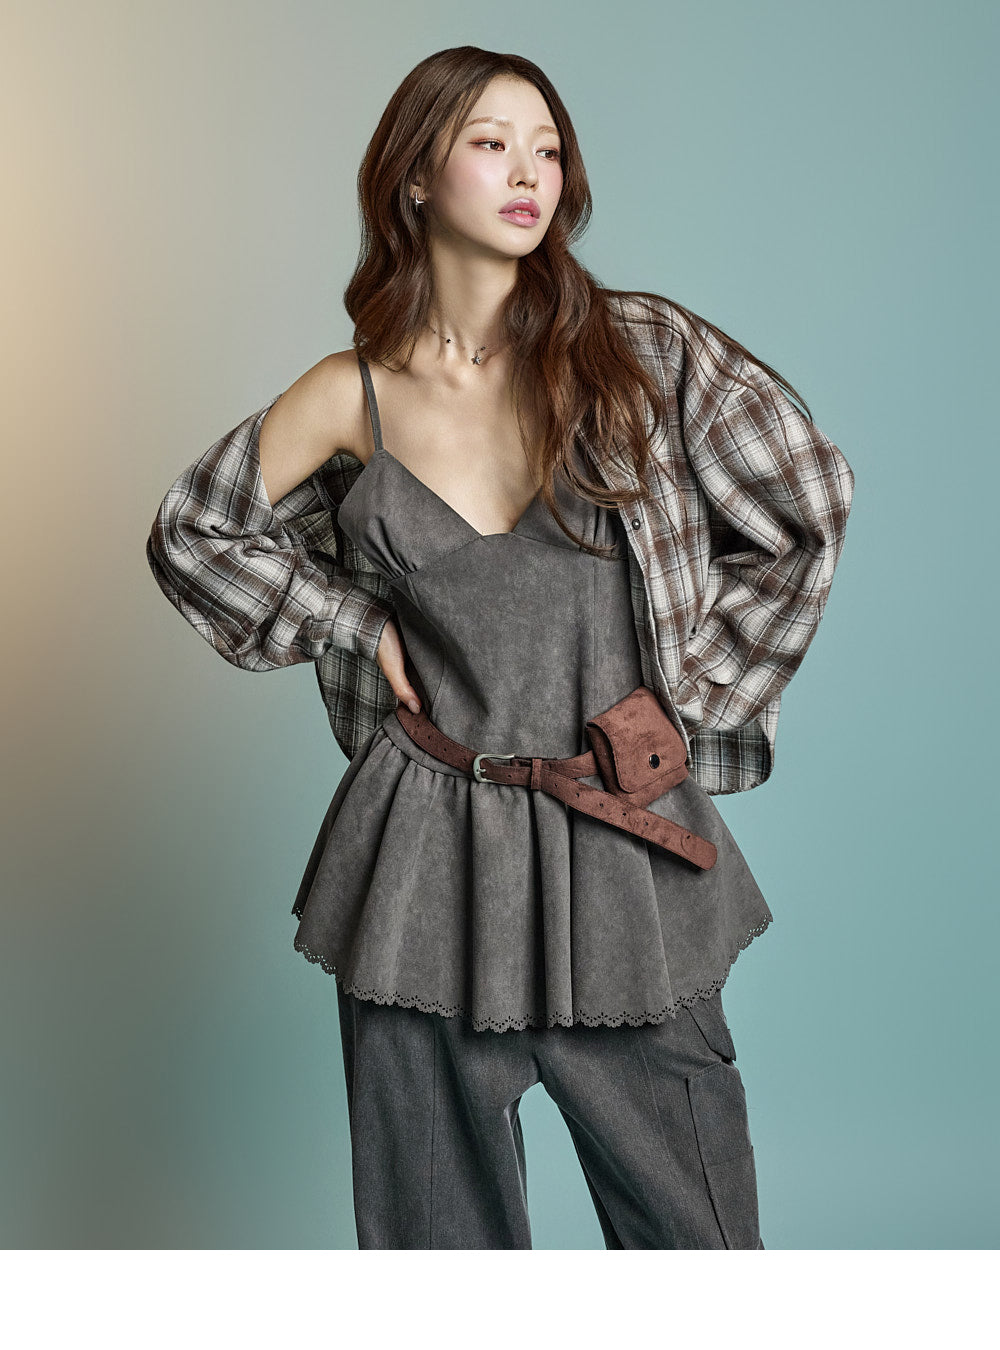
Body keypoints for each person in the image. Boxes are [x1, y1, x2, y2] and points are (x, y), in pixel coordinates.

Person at [145, 46, 854, 1249]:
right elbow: (191, 533)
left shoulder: (641, 353)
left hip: (617, 842)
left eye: (548, 148)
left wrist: (685, 699)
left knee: (699, 1249)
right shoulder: (350, 394)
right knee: (437, 1250)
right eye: (490, 143)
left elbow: (808, 501)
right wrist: (352, 621)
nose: (530, 172)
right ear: (415, 176)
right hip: (422, 857)